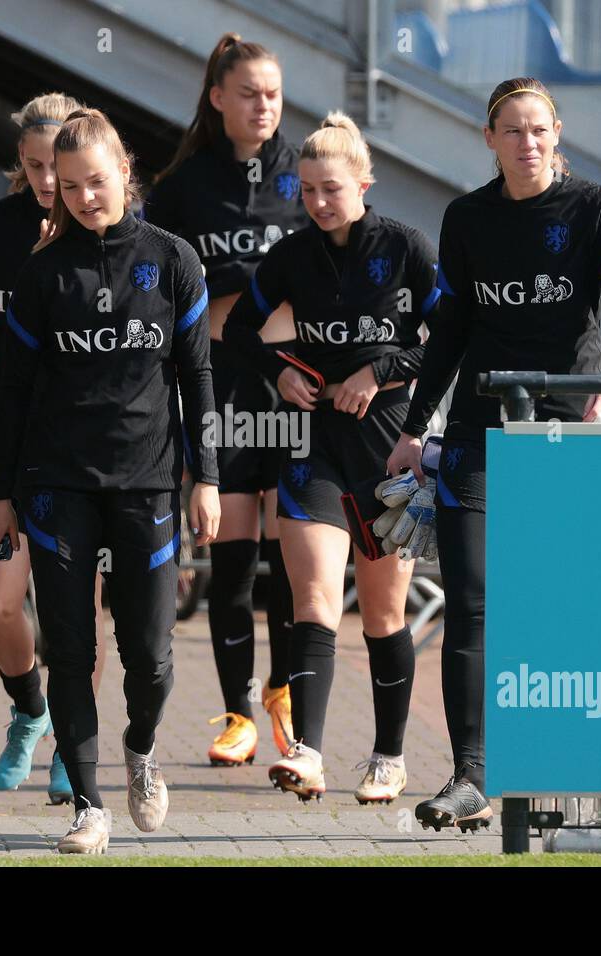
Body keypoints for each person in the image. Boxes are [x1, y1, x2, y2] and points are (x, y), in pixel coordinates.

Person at [387, 77, 601, 831]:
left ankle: (561, 767)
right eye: (512, 130)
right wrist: (413, 428)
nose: (527, 142)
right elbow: (455, 328)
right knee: (469, 602)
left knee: (557, 601)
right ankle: (471, 772)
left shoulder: (597, 209)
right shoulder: (467, 216)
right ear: (490, 138)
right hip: (478, 429)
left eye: (539, 130)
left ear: (557, 133)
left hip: (565, 432)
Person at [0, 108, 220, 855]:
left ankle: (140, 749)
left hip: (147, 485)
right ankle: (87, 805)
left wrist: (205, 478)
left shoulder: (174, 260)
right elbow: (7, 394)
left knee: (149, 656)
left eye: (97, 181)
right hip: (57, 484)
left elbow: (197, 376)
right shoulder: (41, 275)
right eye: (69, 186)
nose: (83, 196)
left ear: (126, 173)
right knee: (71, 651)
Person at [223, 112, 438, 803]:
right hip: (312, 448)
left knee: (381, 616)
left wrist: (382, 372)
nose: (319, 202)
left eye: (332, 189)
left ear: (364, 185)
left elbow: (450, 337)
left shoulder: (406, 248)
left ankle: (388, 756)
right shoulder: (291, 257)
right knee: (313, 600)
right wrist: (277, 370)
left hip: (389, 452)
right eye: (308, 189)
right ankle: (309, 753)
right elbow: (236, 330)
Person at [144, 33, 307, 766]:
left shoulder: (304, 170)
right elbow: (165, 282)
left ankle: (284, 692)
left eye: (273, 93)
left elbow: (335, 259)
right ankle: (237, 712)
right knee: (233, 554)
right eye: (249, 92)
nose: (264, 105)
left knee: (295, 551)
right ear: (217, 98)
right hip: (220, 384)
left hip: (297, 384)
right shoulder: (184, 186)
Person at [0, 92, 111, 804]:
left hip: (90, 451)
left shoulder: (109, 229)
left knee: (81, 615)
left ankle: (70, 747)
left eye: (61, 165)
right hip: (12, 443)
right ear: (20, 163)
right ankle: (29, 709)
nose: (51, 181)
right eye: (37, 165)